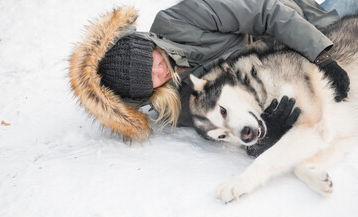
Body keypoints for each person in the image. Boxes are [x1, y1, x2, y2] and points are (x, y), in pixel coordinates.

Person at [69, 0, 350, 157]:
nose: (158, 73)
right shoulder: (174, 105)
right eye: (148, 81)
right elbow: (224, 122)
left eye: (150, 61)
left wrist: (321, 53)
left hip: (297, 23)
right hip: (286, 68)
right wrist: (261, 139)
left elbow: (266, 12)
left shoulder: (179, 19)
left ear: (147, 43)